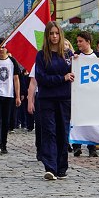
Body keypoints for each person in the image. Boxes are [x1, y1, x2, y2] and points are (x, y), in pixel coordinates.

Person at [34, 21, 73, 180]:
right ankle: (50, 167)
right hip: (47, 99)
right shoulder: (41, 55)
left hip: (64, 99)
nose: (54, 36)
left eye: (57, 33)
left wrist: (78, 61)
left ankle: (61, 167)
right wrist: (62, 78)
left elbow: (76, 73)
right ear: (47, 36)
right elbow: (41, 78)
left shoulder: (69, 55)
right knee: (49, 132)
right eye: (51, 33)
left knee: (63, 133)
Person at [71, 31, 99, 158]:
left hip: (93, 95)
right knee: (77, 120)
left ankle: (92, 147)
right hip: (79, 94)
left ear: (88, 42)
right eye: (77, 41)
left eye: (80, 41)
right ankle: (77, 146)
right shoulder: (76, 56)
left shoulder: (97, 56)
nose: (78, 44)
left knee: (91, 121)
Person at [0, 38, 21, 155]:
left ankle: (4, 144)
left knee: (6, 121)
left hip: (8, 94)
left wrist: (17, 96)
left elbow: (16, 79)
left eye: (4, 47)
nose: (2, 49)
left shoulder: (12, 62)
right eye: (0, 47)